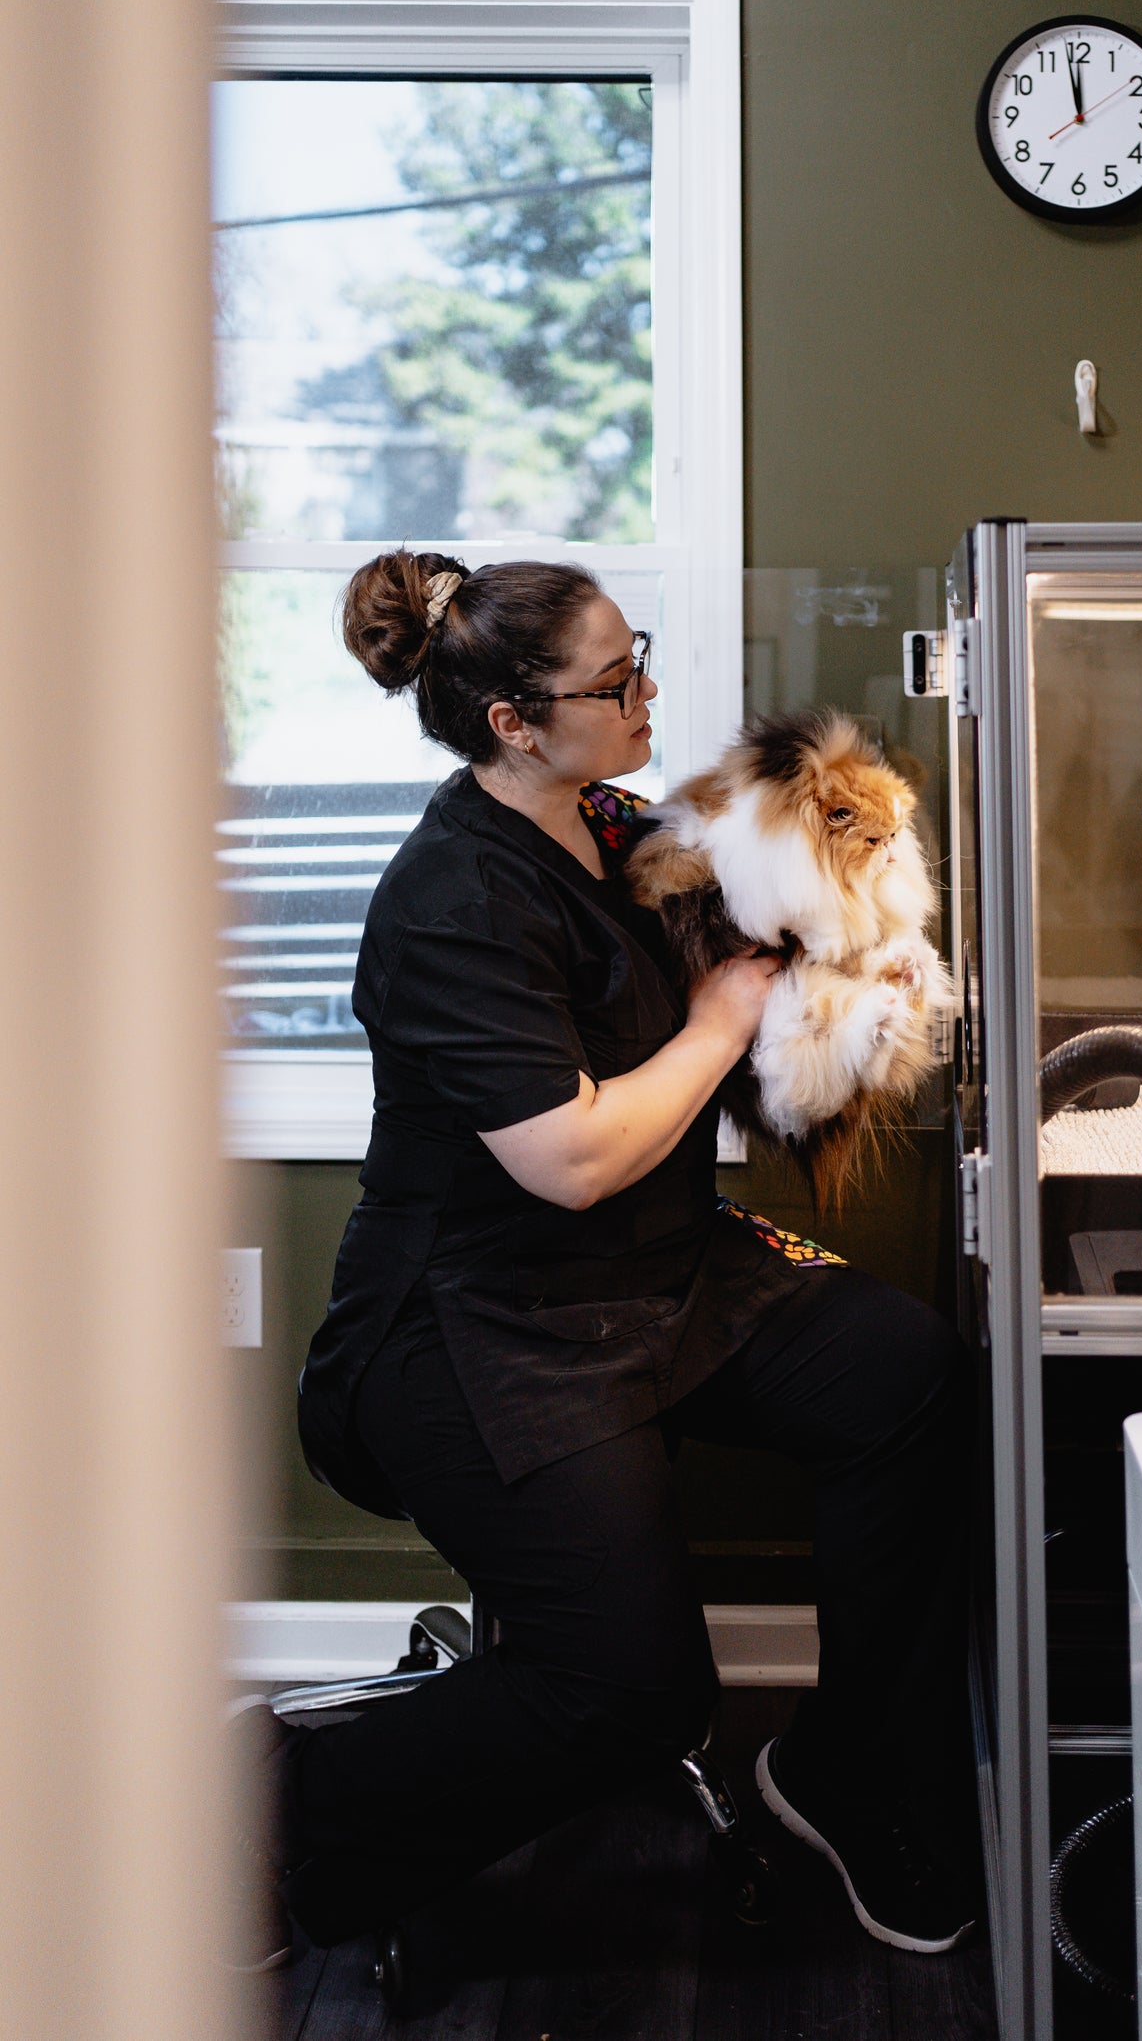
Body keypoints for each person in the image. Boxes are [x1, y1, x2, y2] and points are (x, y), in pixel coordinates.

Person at [252, 550, 977, 1961]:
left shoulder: (615, 823)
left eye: (635, 654)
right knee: (635, 1693)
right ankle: (271, 1821)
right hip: (479, 1321)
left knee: (909, 1379)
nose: (648, 691)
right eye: (613, 679)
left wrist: (853, 955)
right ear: (515, 723)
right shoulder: (450, 899)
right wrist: (717, 1022)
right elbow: (571, 1158)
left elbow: (770, 977)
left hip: (660, 1268)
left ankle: (843, 1773)